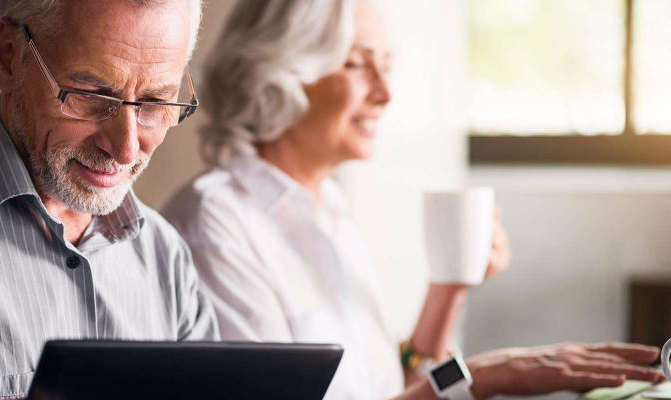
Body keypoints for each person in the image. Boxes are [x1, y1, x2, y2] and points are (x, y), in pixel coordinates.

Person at [160, 1, 665, 399]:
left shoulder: (329, 210)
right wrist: (492, 376)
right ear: (279, 71)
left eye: (386, 66)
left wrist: (449, 286)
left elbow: (397, 391)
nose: (386, 93)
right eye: (358, 64)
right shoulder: (216, 224)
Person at [0, 0, 217, 398]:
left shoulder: (166, 258)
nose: (125, 149)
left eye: (156, 104)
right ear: (8, 59)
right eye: (91, 96)